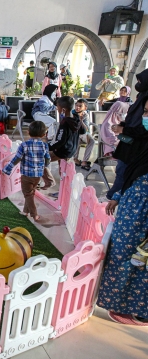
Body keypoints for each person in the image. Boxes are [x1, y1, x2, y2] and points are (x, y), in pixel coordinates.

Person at [99, 97, 148, 325]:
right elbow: (132, 174)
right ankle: (124, 305)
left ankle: (139, 311)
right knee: (124, 252)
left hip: (142, 215)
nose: (144, 119)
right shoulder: (142, 149)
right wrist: (119, 196)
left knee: (138, 258)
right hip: (134, 207)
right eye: (144, 112)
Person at [106, 69, 148, 202]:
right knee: (121, 172)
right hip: (129, 143)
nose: (138, 83)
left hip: (137, 147)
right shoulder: (142, 96)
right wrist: (123, 126)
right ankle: (114, 199)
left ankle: (113, 200)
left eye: (141, 81)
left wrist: (125, 130)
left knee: (125, 174)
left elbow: (143, 129)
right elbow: (134, 119)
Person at [2, 121, 50, 221]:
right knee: (31, 192)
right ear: (44, 134)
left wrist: (8, 168)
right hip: (38, 175)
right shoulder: (44, 145)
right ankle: (25, 211)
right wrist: (45, 166)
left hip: (27, 175)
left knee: (28, 194)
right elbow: (48, 158)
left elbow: (17, 158)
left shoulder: (24, 145)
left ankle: (34, 214)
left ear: (28, 132)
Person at [42, 96, 85, 190]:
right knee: (63, 171)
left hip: (63, 151)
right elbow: (83, 131)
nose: (57, 108)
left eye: (58, 106)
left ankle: (49, 182)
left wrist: (46, 147)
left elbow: (60, 141)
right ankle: (63, 193)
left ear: (63, 109)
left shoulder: (65, 122)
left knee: (39, 159)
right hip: (72, 149)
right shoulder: (76, 117)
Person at [72, 99, 95, 170]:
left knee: (91, 141)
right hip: (74, 134)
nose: (77, 107)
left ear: (85, 108)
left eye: (80, 106)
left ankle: (84, 161)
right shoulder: (71, 113)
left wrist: (81, 121)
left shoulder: (85, 115)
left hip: (84, 133)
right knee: (77, 138)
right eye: (76, 105)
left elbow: (86, 129)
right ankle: (75, 159)